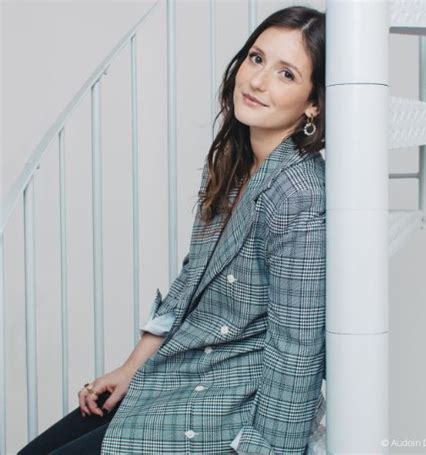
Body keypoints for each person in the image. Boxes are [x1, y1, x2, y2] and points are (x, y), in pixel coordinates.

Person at [18, 5, 326, 454]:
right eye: (256, 59)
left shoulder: (299, 193)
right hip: (178, 369)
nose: (257, 81)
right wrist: (130, 369)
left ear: (313, 101)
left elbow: (296, 347)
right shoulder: (233, 160)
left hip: (229, 400)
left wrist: (267, 450)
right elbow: (191, 280)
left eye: (286, 74)